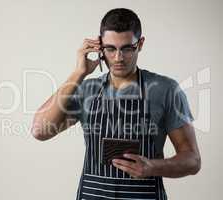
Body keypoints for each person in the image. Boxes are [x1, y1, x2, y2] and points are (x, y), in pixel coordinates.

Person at [31, 8, 201, 200]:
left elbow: (192, 160)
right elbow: (39, 131)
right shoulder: (86, 89)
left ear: (140, 44)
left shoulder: (166, 89)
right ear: (99, 46)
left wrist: (152, 167)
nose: (118, 58)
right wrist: (78, 73)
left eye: (127, 48)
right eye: (110, 49)